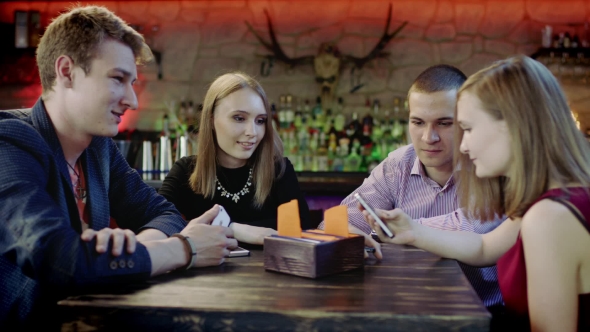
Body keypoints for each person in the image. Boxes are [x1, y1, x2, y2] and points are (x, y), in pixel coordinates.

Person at [0, 6, 236, 328]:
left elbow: (165, 214)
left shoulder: (99, 148)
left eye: (133, 82)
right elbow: (60, 261)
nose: (132, 100)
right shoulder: (8, 142)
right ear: (66, 71)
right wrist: (184, 249)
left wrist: (124, 254)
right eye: (117, 79)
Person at [366, 55, 590, 331]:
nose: (463, 146)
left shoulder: (550, 217)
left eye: (468, 129)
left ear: (513, 126)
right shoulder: (553, 200)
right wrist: (413, 231)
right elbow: (484, 247)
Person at [319, 64, 504, 309]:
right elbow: (334, 223)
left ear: (466, 121)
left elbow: (475, 230)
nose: (429, 137)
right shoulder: (398, 165)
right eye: (418, 122)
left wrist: (400, 230)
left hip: (482, 314)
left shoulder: (490, 164)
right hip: (405, 309)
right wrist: (347, 234)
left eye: (444, 123)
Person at [159, 72, 312, 246]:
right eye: (239, 118)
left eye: (260, 120)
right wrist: (233, 229)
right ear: (211, 119)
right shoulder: (185, 170)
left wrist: (219, 229)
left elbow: (302, 232)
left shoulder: (279, 170)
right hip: (205, 273)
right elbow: (160, 225)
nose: (252, 132)